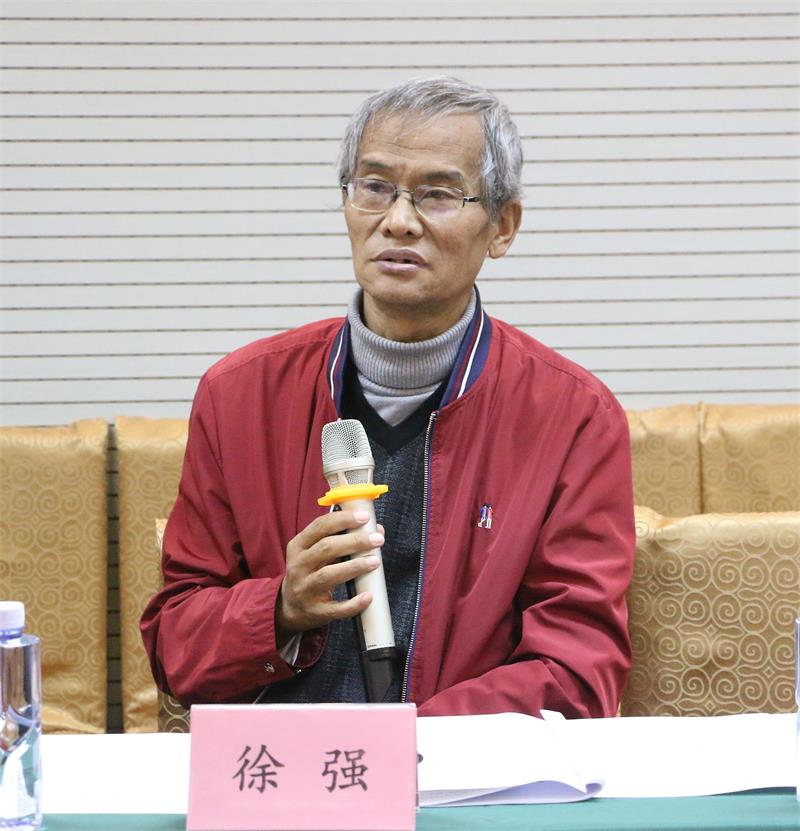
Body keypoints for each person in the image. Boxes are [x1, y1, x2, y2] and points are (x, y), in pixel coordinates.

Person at [140, 76, 635, 718]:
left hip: (462, 770)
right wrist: (281, 608)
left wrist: (405, 746)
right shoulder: (239, 396)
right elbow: (175, 647)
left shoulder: (571, 416)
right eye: (374, 188)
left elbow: (577, 673)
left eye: (438, 194)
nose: (398, 221)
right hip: (285, 766)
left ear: (502, 227)